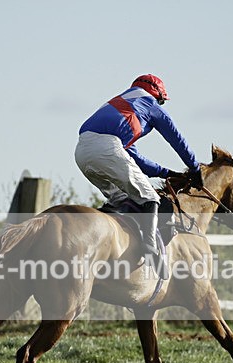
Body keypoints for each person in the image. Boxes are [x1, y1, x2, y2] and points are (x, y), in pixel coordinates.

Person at [75, 74, 201, 267]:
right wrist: (195, 168)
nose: (159, 105)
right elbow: (176, 138)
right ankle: (150, 249)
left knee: (121, 200)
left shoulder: (124, 105)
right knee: (150, 197)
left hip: (82, 153)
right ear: (156, 93)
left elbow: (134, 158)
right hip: (107, 149)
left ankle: (105, 244)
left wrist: (166, 173)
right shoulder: (149, 104)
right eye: (161, 101)